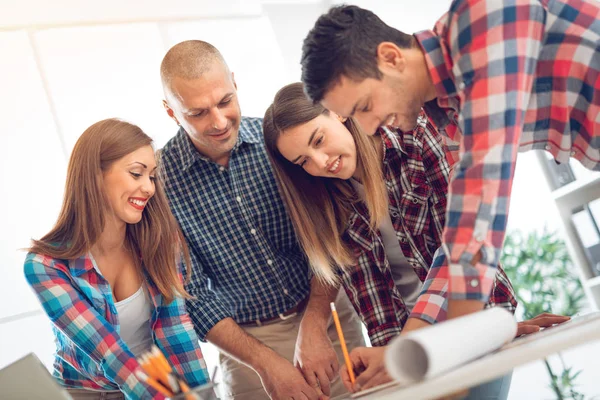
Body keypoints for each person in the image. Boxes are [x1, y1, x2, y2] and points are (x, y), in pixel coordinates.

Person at [262, 82, 570, 398]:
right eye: (303, 161)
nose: (320, 162)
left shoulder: (420, 137)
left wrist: (491, 330)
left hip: (468, 325)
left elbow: (462, 250)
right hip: (404, 351)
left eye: (319, 140)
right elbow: (361, 288)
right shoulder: (326, 203)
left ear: (338, 113)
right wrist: (392, 358)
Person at [300, 2, 596, 330]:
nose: (368, 128)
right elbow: (458, 235)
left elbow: (482, 198)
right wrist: (416, 337)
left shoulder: (485, 16)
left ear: (391, 57)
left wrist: (438, 339)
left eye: (365, 106)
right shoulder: (451, 116)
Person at [158, 40, 364, 400]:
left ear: (235, 84)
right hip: (245, 344)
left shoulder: (283, 146)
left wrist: (315, 324)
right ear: (171, 111)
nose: (219, 122)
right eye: (198, 113)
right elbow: (190, 293)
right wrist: (266, 363)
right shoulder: (159, 183)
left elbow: (328, 234)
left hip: (325, 310)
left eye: (225, 101)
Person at [24, 119, 210, 400]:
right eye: (136, 174)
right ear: (94, 176)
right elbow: (109, 352)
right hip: (85, 391)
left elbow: (176, 330)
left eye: (152, 176)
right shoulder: (45, 265)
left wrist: (201, 395)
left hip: (156, 378)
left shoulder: (160, 241)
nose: (148, 188)